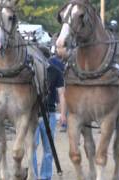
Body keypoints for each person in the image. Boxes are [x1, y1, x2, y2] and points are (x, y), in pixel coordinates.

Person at [33, 50, 67, 180]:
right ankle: (40, 176)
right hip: (41, 114)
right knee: (43, 149)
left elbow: (61, 94)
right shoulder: (33, 72)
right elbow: (62, 94)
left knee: (43, 148)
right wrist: (63, 114)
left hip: (46, 113)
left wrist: (63, 114)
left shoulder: (54, 71)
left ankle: (42, 176)